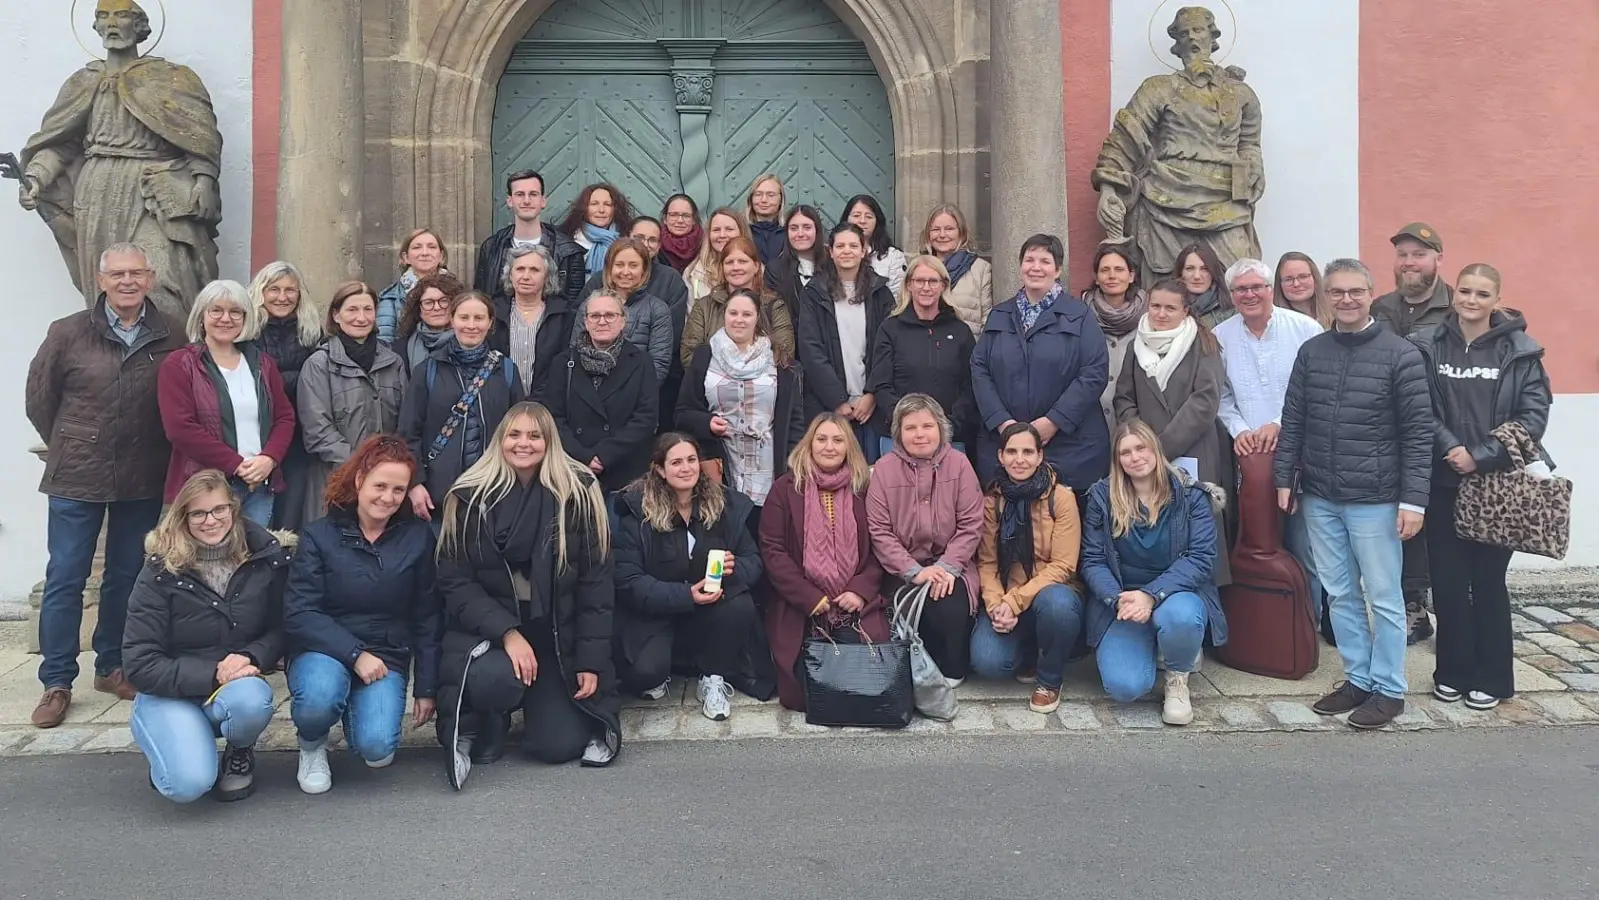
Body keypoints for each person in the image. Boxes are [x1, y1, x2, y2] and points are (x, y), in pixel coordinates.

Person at [24, 242, 184, 728]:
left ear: (150, 279)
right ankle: (56, 681)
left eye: (137, 273)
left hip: (142, 471)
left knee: (127, 575)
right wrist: (75, 440)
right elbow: (39, 399)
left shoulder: (170, 332)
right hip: (78, 471)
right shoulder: (68, 332)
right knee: (67, 578)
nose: (128, 281)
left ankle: (111, 665)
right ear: (102, 280)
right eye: (118, 274)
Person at [1275, 258, 1433, 730]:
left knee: (1383, 597)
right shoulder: (1313, 351)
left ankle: (1389, 689)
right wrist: (1285, 478)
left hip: (1377, 500)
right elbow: (1294, 419)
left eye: (1355, 292)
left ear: (1370, 294)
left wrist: (1413, 501)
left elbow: (1418, 433)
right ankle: (1357, 678)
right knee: (1340, 595)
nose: (1346, 299)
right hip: (1321, 495)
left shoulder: (1400, 354)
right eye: (1337, 292)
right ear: (1327, 295)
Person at [435, 402, 620, 769]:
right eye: (514, 434)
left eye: (535, 435)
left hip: (554, 636)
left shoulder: (578, 492)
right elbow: (455, 581)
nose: (524, 444)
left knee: (557, 747)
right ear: (499, 440)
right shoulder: (468, 496)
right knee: (494, 681)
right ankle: (492, 717)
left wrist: (590, 661)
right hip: (492, 634)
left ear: (550, 441)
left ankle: (545, 707)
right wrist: (507, 633)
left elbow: (595, 586)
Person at [1412, 264, 1552, 710]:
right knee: (1449, 582)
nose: (1471, 300)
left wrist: (1482, 454)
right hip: (1444, 479)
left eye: (1482, 293)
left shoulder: (1521, 351)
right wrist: (1452, 448)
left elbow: (1533, 418)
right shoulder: (1429, 344)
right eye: (1466, 291)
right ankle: (1452, 671)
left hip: (1498, 486)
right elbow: (1420, 406)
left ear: (1497, 299)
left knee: (1488, 582)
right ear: (1456, 294)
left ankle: (1492, 677)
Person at [122, 469, 291, 803]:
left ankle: (238, 750)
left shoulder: (264, 556)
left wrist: (252, 656)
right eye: (197, 513)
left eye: (218, 510)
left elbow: (282, 627)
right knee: (188, 786)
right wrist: (213, 673)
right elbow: (139, 663)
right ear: (182, 516)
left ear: (233, 508)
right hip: (168, 692)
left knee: (253, 700)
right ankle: (172, 743)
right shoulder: (159, 571)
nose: (210, 520)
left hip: (233, 686)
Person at [285, 436, 441, 793]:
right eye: (380, 486)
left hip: (386, 652)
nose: (388, 497)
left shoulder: (418, 538)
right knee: (320, 696)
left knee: (377, 749)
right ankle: (312, 744)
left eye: (398, 490)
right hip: (323, 649)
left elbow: (428, 615)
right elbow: (300, 611)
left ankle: (359, 714)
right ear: (359, 481)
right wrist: (355, 655)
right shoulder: (319, 535)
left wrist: (427, 688)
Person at [1081, 421, 1226, 726]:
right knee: (1125, 687)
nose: (1135, 457)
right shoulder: (1101, 497)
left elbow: (1201, 558)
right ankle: (1158, 643)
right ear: (1117, 460)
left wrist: (1151, 595)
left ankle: (1177, 675)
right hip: (1123, 601)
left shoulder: (1191, 497)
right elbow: (1092, 560)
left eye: (1141, 447)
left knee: (1180, 618)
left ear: (1156, 449)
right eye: (1125, 452)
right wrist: (1117, 600)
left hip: (1175, 594)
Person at [612, 434, 766, 722]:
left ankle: (713, 676)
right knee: (644, 673)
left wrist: (733, 570)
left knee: (740, 605)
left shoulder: (723, 504)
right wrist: (685, 595)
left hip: (710, 609)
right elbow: (629, 579)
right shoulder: (637, 511)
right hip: (655, 613)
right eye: (676, 462)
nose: (686, 468)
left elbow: (753, 561)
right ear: (659, 469)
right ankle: (667, 668)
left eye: (692, 460)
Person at [1213, 258, 1324, 625]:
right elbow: (1221, 395)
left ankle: (1311, 622)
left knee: (1305, 542)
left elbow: (1316, 390)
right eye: (1241, 289)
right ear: (1231, 296)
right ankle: (1268, 624)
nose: (1249, 294)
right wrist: (1240, 429)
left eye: (1256, 287)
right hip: (1249, 458)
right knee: (1257, 541)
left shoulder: (1305, 328)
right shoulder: (1221, 336)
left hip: (1303, 452)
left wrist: (1278, 424)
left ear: (1270, 290)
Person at [758, 414, 888, 712]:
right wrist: (810, 597)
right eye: (822, 439)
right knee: (803, 686)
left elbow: (881, 546)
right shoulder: (785, 488)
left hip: (853, 602)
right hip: (799, 602)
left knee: (866, 674)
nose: (829, 447)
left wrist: (859, 590)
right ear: (809, 444)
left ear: (849, 447)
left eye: (838, 440)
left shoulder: (864, 488)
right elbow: (772, 549)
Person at [971, 233, 1111, 494]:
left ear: (1057, 270)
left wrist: (1054, 421)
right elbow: (979, 368)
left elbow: (1094, 372)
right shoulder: (999, 314)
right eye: (1029, 260)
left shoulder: (1079, 315)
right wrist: (1003, 423)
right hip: (1005, 445)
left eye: (1045, 261)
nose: (1035, 267)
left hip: (1069, 447)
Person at [158, 280, 296, 527]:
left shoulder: (262, 364)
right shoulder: (180, 364)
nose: (226, 318)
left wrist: (269, 459)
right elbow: (180, 428)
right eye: (216, 310)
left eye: (235, 312)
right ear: (202, 316)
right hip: (204, 487)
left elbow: (284, 417)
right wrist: (236, 465)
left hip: (258, 486)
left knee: (250, 561)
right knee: (204, 562)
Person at [867, 394, 983, 686]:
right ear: (899, 433)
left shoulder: (959, 464)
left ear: (941, 429)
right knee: (911, 611)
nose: (920, 434)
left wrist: (946, 567)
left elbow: (971, 524)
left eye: (927, 426)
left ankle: (952, 670)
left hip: (951, 567)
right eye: (911, 428)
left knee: (949, 604)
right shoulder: (883, 469)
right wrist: (914, 571)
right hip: (901, 570)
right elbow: (879, 531)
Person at [1375, 223, 1454, 645]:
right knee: (1404, 527)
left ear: (1437, 258)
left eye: (1419, 254)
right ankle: (1414, 609)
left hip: (1443, 434)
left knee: (1445, 527)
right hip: (1391, 435)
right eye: (1403, 254)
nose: (1409, 262)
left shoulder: (1459, 308)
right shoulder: (1381, 308)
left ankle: (1456, 612)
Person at [972, 423, 1085, 714]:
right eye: (1011, 451)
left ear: (1039, 456)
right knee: (988, 662)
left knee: (1057, 606)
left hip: (1052, 592)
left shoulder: (1059, 497)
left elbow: (1063, 565)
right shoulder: (993, 500)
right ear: (1000, 456)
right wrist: (997, 605)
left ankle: (1049, 680)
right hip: (1010, 595)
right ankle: (1027, 649)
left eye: (1027, 452)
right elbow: (987, 562)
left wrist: (1014, 601)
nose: (1019, 459)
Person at [399, 291, 525, 525]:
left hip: (495, 490)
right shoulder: (427, 370)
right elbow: (409, 432)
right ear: (452, 319)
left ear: (490, 323)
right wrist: (415, 483)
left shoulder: (507, 371)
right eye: (464, 317)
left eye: (479, 318)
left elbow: (520, 432)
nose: (471, 325)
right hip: (439, 494)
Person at [677, 289, 806, 511]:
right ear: (724, 315)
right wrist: (707, 424)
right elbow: (682, 412)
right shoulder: (705, 356)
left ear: (757, 318)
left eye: (746, 314)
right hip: (721, 467)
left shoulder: (778, 359)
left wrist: (791, 467)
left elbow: (793, 421)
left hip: (769, 470)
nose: (738, 320)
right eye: (733, 313)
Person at [1113, 278, 1229, 524]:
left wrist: (1161, 448)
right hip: (1143, 456)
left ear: (1185, 310)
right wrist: (1142, 443)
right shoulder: (1137, 345)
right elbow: (1124, 397)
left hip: (1193, 449)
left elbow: (1205, 400)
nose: (1161, 314)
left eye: (1170, 308)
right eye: (1155, 306)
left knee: (1195, 525)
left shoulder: (1204, 342)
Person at [297, 281, 408, 522]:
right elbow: (317, 430)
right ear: (336, 315)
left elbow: (405, 421)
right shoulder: (319, 364)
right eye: (352, 310)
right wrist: (361, 466)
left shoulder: (393, 362)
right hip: (336, 480)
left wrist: (386, 465)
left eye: (368, 310)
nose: (361, 317)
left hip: (385, 483)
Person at [539, 291, 659, 494]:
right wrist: (584, 456)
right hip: (575, 471)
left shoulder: (641, 362)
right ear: (586, 322)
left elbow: (645, 418)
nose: (602, 321)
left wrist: (604, 455)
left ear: (623, 321)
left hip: (624, 472)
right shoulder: (563, 362)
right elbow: (553, 417)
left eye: (610, 315)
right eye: (595, 316)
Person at [868, 254, 977, 457]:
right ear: (909, 284)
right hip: (899, 438)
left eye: (933, 281)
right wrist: (903, 423)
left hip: (949, 439)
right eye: (919, 280)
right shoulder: (890, 328)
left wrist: (949, 426)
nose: (926, 287)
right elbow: (881, 383)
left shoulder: (960, 331)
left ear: (943, 285)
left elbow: (970, 386)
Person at [796, 223, 895, 443]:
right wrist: (837, 400)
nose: (846, 251)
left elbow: (888, 349)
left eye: (853, 245)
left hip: (872, 406)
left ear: (864, 250)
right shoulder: (814, 293)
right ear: (831, 252)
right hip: (828, 404)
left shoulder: (881, 294)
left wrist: (872, 394)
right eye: (840, 246)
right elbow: (811, 349)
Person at [247, 260, 321, 529]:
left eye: (290, 290)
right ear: (260, 292)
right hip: (255, 435)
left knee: (290, 515)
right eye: (274, 289)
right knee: (254, 516)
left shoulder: (311, 333)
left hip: (298, 436)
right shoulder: (246, 332)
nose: (282, 297)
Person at [473, 168, 585, 306]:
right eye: (520, 194)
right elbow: (481, 299)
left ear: (543, 201)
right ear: (509, 201)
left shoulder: (568, 252)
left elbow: (574, 307)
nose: (526, 200)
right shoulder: (491, 248)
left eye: (533, 194)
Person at [568, 237, 673, 384]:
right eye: (619, 265)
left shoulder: (657, 309)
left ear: (644, 269)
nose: (625, 271)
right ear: (609, 267)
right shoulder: (589, 305)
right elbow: (575, 351)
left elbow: (659, 364)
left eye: (633, 265)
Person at [681, 235, 797, 368]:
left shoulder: (774, 305)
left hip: (763, 384)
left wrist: (748, 375)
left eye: (742, 261)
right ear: (722, 268)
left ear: (756, 266)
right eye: (729, 262)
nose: (735, 267)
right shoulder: (704, 306)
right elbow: (689, 354)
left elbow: (785, 353)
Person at [489, 244, 573, 396]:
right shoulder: (493, 313)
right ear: (510, 274)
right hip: (501, 403)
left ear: (547, 276)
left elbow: (562, 368)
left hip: (547, 405)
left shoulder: (563, 315)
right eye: (520, 269)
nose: (526, 276)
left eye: (534, 270)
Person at [1083, 244, 1148, 435]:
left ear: (1131, 275)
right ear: (1096, 278)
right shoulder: (1080, 317)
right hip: (1091, 423)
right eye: (1105, 270)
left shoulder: (1149, 317)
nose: (1112, 276)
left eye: (1119, 269)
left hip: (1137, 424)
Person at [920, 203, 993, 336]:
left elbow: (987, 320)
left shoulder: (980, 268)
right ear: (928, 234)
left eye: (949, 229)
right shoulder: (918, 268)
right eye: (936, 229)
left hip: (966, 351)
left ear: (961, 232)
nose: (942, 235)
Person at [377, 228, 448, 343]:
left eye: (432, 247)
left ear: (441, 256)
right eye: (417, 247)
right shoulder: (391, 299)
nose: (425, 253)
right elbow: (384, 345)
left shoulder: (458, 293)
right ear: (406, 257)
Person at [558, 183, 637, 279]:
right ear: (584, 208)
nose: (601, 210)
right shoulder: (567, 239)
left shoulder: (626, 238)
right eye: (594, 204)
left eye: (607, 204)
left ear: (615, 209)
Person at [394, 272, 467, 372]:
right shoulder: (400, 349)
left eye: (444, 301)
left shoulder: (470, 342)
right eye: (428, 303)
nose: (437, 308)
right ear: (419, 309)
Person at [684, 207, 753, 305]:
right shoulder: (692, 272)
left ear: (742, 232)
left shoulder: (758, 271)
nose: (722, 235)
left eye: (729, 229)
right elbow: (690, 315)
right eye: (716, 230)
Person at [843, 194, 907, 297]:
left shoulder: (893, 257)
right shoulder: (835, 253)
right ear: (846, 219)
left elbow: (898, 297)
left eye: (868, 217)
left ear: (877, 221)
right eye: (856, 216)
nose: (862, 221)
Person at [767, 204, 825, 309]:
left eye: (807, 227)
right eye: (794, 228)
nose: (800, 234)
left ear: (817, 231)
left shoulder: (832, 266)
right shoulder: (775, 270)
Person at [1175, 242, 1234, 330]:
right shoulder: (1164, 306)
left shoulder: (1232, 310)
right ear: (1181, 272)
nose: (1197, 276)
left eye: (1204, 269)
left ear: (1213, 272)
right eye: (1190, 269)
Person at [1274, 251, 1332, 329]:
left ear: (1315, 278)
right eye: (1288, 279)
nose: (1296, 284)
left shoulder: (1335, 313)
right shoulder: (1274, 322)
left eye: (1303, 276)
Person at [745, 174, 788, 265]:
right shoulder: (742, 232)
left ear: (781, 200)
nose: (764, 200)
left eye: (771, 195)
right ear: (751, 199)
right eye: (758, 194)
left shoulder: (790, 233)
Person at [658, 193, 703, 274]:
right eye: (674, 215)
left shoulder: (705, 244)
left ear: (694, 220)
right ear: (665, 219)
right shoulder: (655, 244)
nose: (680, 220)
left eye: (686, 216)